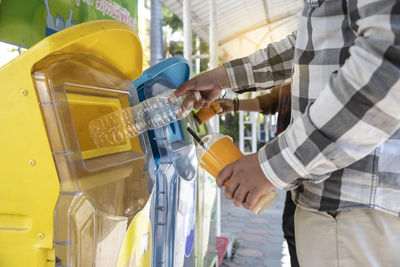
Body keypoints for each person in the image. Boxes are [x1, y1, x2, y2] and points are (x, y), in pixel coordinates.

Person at [176, 0, 400, 265]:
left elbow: (388, 62)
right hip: (335, 201)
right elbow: (310, 44)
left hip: (352, 203)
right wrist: (225, 76)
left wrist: (272, 167)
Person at [217, 84, 299, 267]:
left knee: (300, 235)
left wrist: (268, 167)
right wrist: (235, 105)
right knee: (292, 230)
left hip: (311, 168)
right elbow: (272, 101)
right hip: (293, 172)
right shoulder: (295, 71)